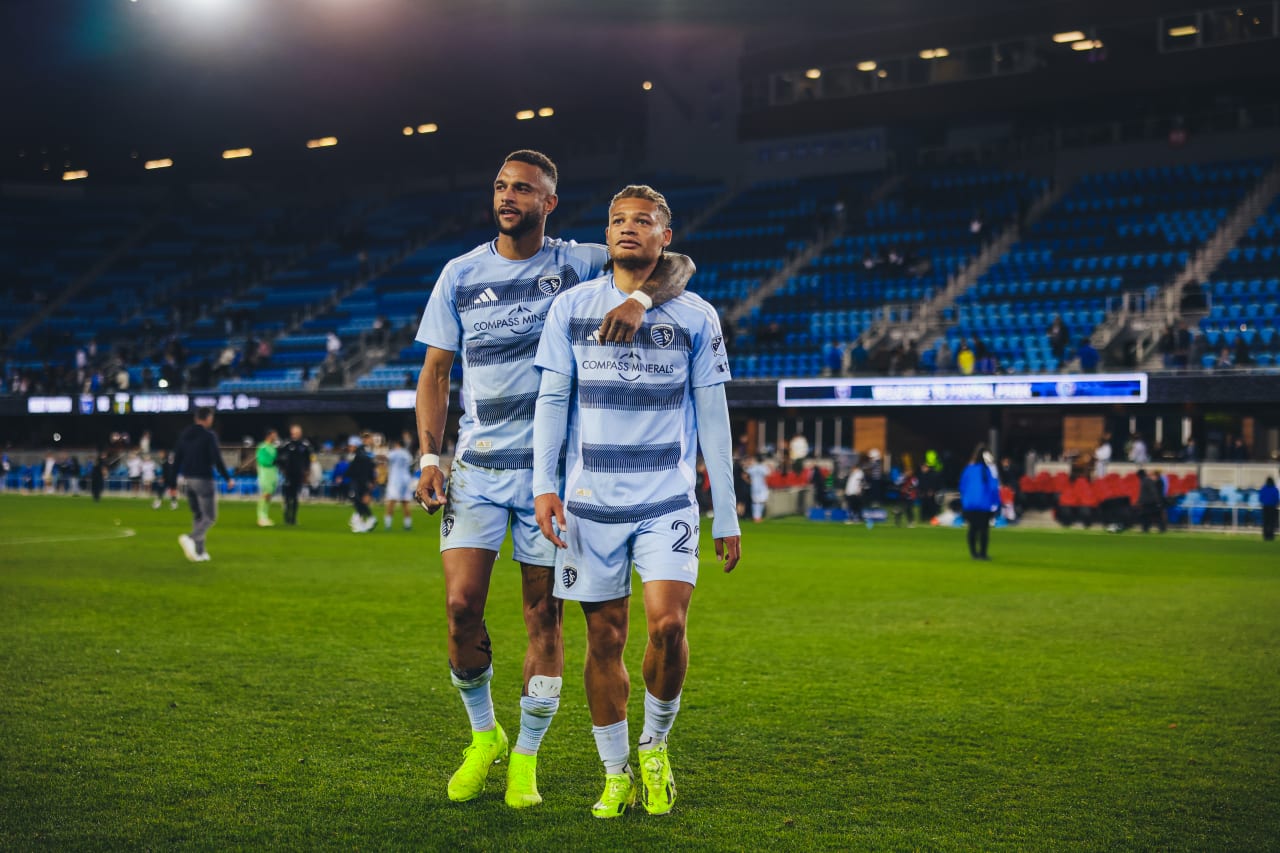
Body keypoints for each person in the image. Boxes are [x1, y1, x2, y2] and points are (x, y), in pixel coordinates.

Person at [412, 151, 695, 809]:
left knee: (545, 617)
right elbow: (434, 373)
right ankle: (483, 733)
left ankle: (525, 760)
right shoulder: (459, 274)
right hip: (477, 472)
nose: (508, 196)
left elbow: (676, 263)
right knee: (460, 610)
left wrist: (637, 297)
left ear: (549, 203)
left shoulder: (578, 260)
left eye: (524, 189)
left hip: (551, 480)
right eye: (502, 186)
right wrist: (429, 456)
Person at [531, 183, 740, 819]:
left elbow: (714, 419)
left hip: (666, 502)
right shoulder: (570, 307)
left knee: (668, 626)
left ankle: (655, 744)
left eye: (643, 221)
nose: (628, 229)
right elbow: (551, 401)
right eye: (618, 220)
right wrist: (545, 485)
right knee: (603, 639)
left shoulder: (697, 316)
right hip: (590, 503)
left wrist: (725, 511)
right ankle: (615, 771)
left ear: (664, 236)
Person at [174, 406, 231, 562]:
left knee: (198, 516)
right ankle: (190, 538)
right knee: (210, 517)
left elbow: (177, 458)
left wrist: (172, 483)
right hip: (203, 479)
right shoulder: (208, 435)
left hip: (187, 480)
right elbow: (216, 458)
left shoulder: (184, 435)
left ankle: (200, 552)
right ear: (207, 418)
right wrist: (227, 478)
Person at [959, 444, 1000, 560]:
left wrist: (965, 500)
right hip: (984, 504)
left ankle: (973, 553)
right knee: (983, 530)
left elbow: (962, 486)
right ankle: (982, 553)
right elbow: (993, 488)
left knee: (972, 528)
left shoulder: (968, 469)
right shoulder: (988, 470)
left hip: (969, 504)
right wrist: (996, 503)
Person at [277, 424, 315, 525]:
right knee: (287, 496)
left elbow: (308, 460)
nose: (295, 434)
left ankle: (293, 518)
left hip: (299, 474)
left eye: (297, 433)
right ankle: (286, 516)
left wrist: (307, 471)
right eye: (294, 432)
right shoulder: (286, 444)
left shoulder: (304, 445)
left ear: (300, 433)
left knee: (295, 497)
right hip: (287, 474)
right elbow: (279, 458)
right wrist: (282, 469)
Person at [383, 437, 415, 531]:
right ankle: (407, 524)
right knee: (405, 503)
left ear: (397, 444)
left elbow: (386, 458)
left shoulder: (394, 452)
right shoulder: (407, 454)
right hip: (406, 479)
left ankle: (388, 524)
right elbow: (410, 465)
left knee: (391, 502)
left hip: (395, 480)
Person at [346, 435, 377, 533]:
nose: (349, 447)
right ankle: (360, 521)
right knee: (359, 501)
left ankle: (369, 518)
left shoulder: (359, 456)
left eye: (351, 445)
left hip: (359, 482)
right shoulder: (363, 454)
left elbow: (355, 470)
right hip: (362, 481)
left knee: (357, 500)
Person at [255, 428, 280, 527]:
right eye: (275, 435)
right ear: (269, 435)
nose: (276, 437)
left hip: (273, 473)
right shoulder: (262, 447)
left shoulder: (273, 447)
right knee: (265, 494)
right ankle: (261, 517)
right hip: (265, 473)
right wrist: (272, 461)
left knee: (269, 496)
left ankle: (265, 515)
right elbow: (261, 460)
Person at [1137, 468, 1166, 533]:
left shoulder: (1147, 481)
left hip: (1149, 502)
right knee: (1153, 516)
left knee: (1149, 516)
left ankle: (1146, 528)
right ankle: (1159, 528)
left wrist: (1158, 501)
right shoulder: (1150, 481)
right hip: (1150, 502)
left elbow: (1153, 492)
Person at [746, 454, 770, 522]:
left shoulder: (753, 467)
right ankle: (758, 517)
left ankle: (756, 517)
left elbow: (746, 474)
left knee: (755, 502)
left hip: (754, 486)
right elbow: (767, 476)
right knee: (761, 502)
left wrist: (749, 482)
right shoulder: (764, 467)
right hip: (762, 487)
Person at [1260, 477, 1279, 542]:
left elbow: (1261, 497)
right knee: (1271, 522)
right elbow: (1276, 498)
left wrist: (1264, 502)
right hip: (1272, 507)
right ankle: (1271, 536)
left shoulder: (1264, 488)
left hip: (1265, 507)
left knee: (1265, 522)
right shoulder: (1274, 489)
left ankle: (1265, 536)